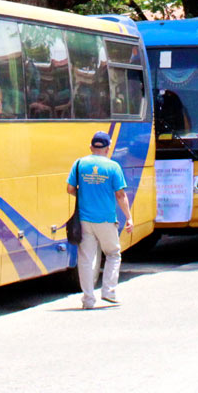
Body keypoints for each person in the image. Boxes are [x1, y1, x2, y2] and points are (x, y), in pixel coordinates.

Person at [66, 131, 134, 310]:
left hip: (84, 220)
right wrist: (129, 217)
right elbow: (120, 195)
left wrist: (86, 194)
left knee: (86, 259)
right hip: (105, 220)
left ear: (91, 147)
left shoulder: (80, 164)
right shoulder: (113, 167)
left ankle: (88, 299)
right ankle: (108, 292)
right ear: (108, 148)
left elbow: (70, 189)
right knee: (113, 253)